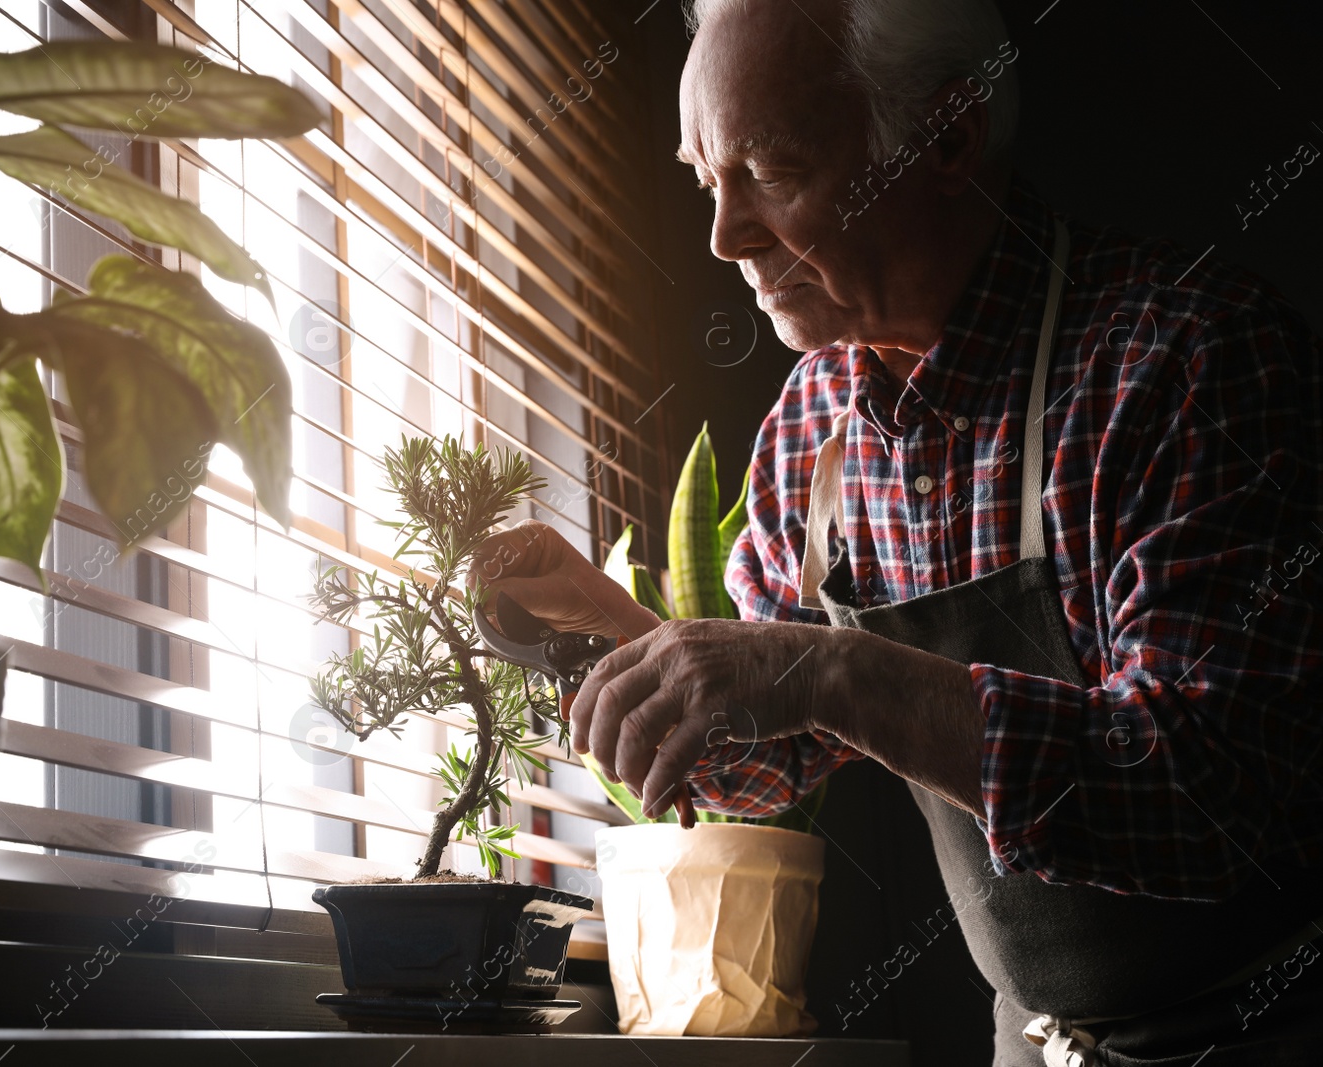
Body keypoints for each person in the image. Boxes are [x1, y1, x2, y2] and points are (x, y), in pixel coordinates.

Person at [465, 0, 1323, 1063]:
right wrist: (619, 637)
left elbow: (1205, 795)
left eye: (769, 170)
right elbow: (763, 766)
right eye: (705, 183)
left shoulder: (1181, 359)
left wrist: (832, 671)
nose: (722, 235)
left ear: (946, 136)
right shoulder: (810, 428)